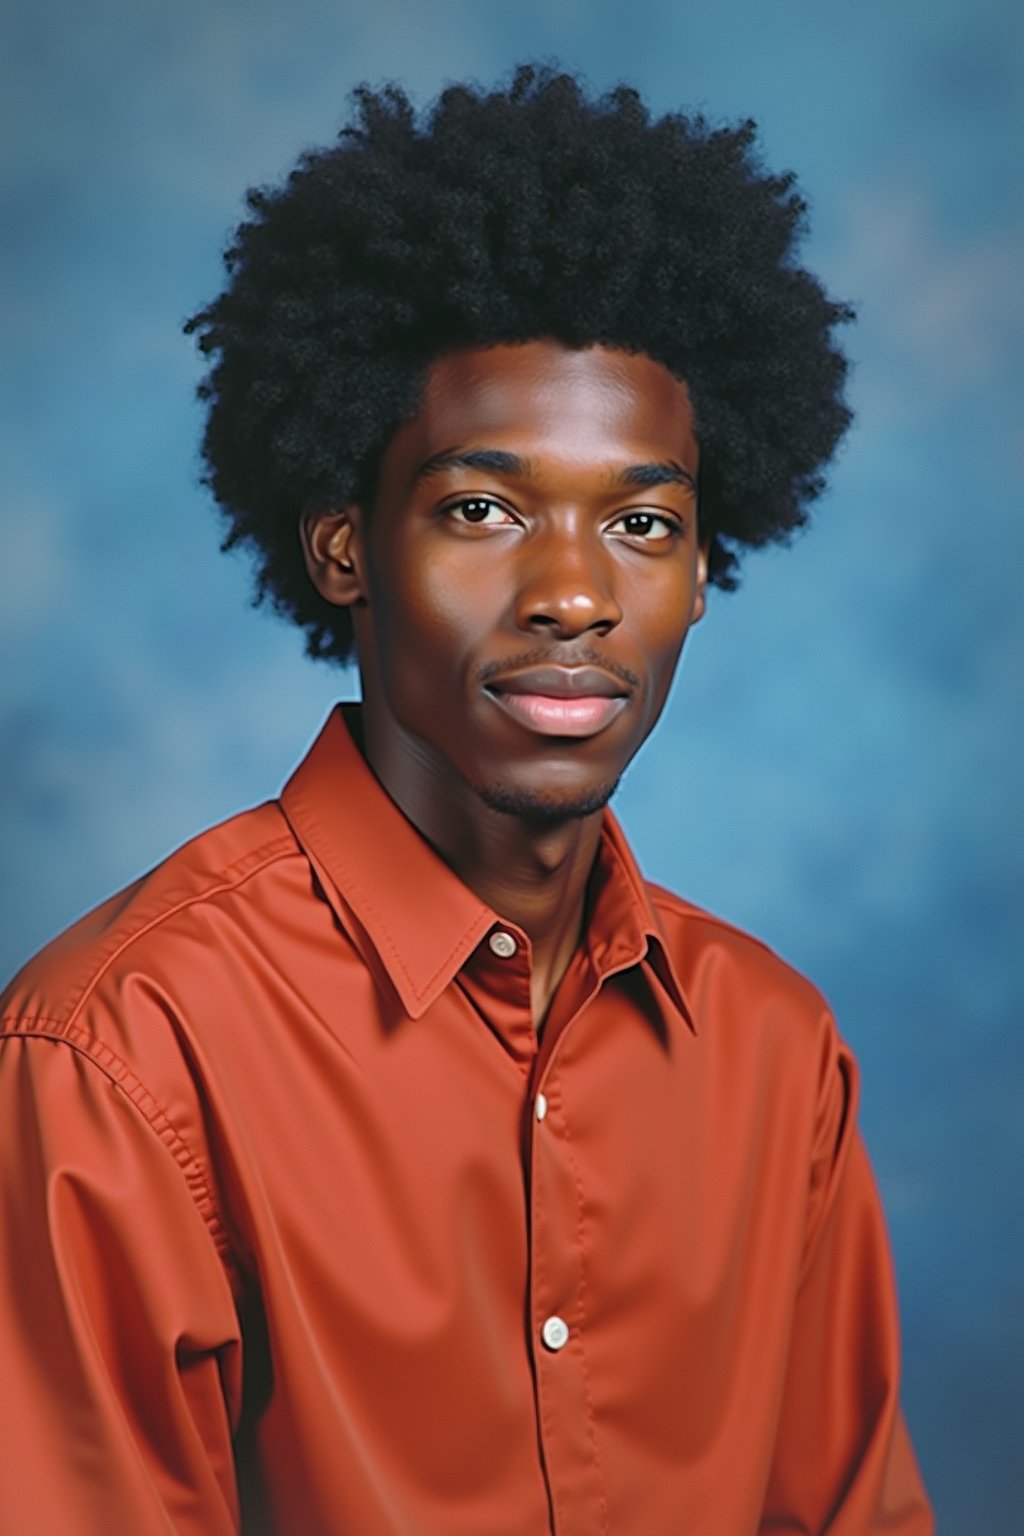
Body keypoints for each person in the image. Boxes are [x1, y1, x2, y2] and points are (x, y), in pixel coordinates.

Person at [0, 65, 933, 1535]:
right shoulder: (120, 1055)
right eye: (482, 510)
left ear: (703, 575)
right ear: (344, 547)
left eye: (641, 523)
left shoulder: (778, 1055)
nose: (573, 595)